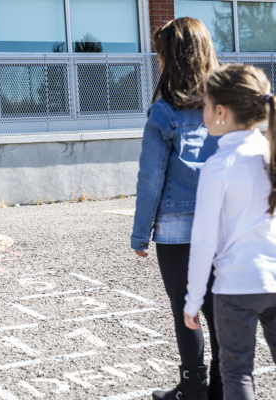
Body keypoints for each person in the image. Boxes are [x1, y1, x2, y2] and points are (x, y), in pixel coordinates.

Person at [131, 18, 222, 400]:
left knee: (188, 310)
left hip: (176, 229)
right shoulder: (225, 109)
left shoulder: (163, 113)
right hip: (222, 226)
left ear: (173, 59)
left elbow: (150, 179)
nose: (157, 62)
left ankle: (192, 386)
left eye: (160, 56)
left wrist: (140, 234)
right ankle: (222, 386)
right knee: (220, 312)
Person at [184, 64, 276, 400]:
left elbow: (204, 241)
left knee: (237, 373)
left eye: (205, 105)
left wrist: (193, 301)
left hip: (235, 287)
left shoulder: (218, 167)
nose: (202, 112)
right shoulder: (271, 155)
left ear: (221, 112)